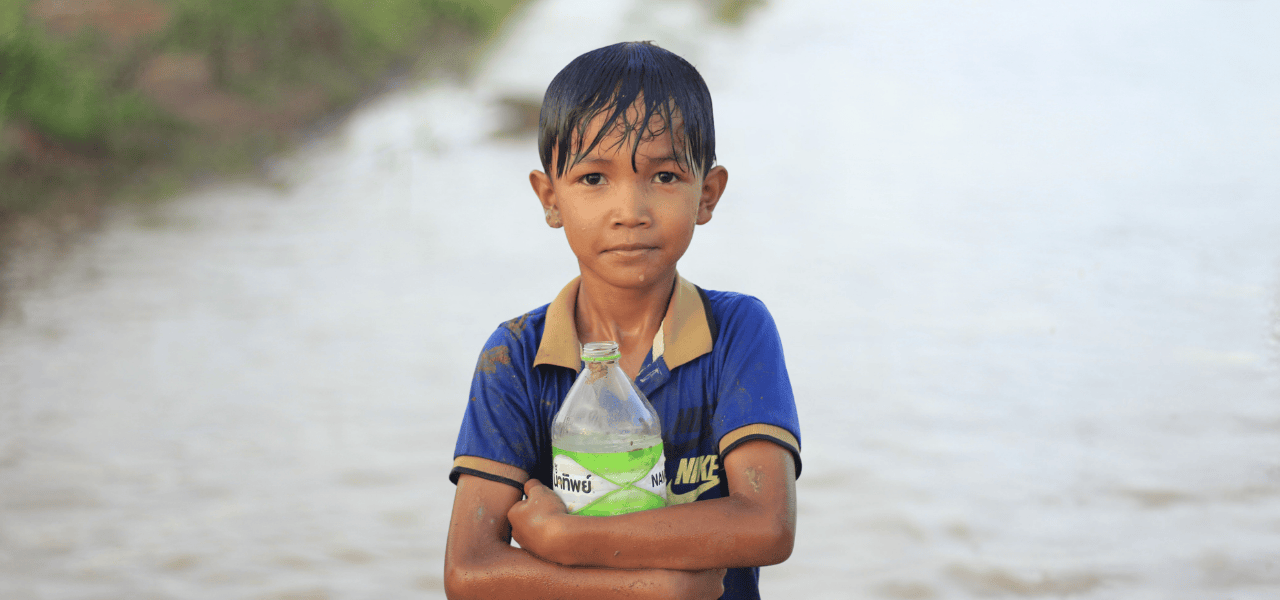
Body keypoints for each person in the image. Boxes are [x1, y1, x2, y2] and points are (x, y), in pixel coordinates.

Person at [444, 41, 801, 600]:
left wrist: (568, 538)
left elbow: (766, 525)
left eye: (663, 177)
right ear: (549, 197)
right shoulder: (516, 354)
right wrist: (651, 589)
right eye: (593, 179)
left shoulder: (735, 330)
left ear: (707, 194)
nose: (629, 211)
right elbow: (469, 570)